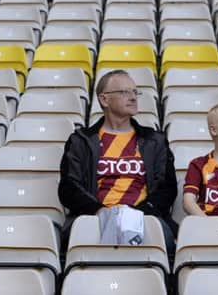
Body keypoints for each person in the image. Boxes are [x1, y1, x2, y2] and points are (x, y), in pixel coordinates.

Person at [59, 70, 178, 253]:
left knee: (161, 235)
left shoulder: (155, 140)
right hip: (94, 217)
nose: (133, 97)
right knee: (79, 235)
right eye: (124, 92)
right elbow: (69, 188)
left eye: (135, 92)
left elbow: (166, 188)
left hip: (145, 216)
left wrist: (140, 213)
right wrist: (100, 211)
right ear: (104, 99)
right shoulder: (81, 140)